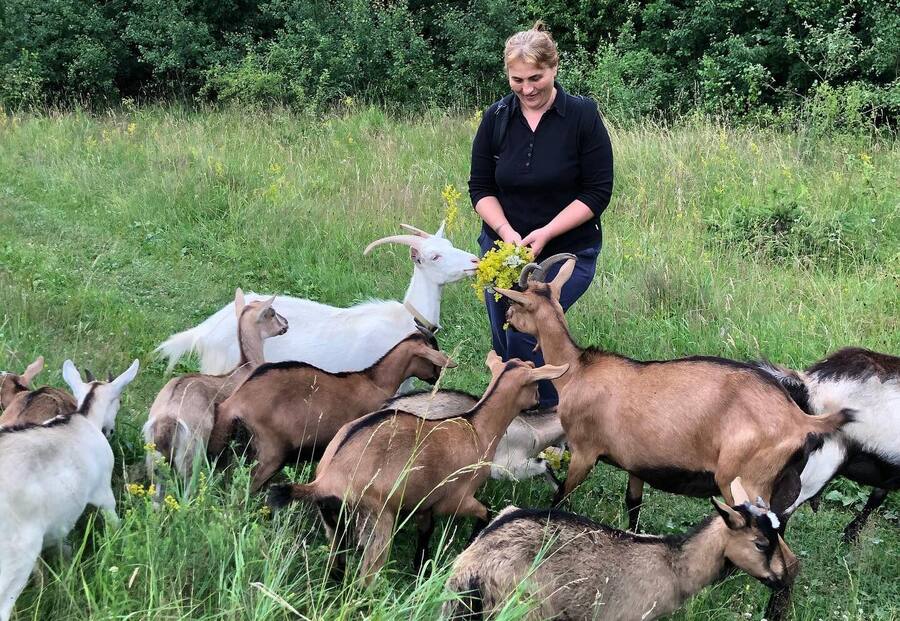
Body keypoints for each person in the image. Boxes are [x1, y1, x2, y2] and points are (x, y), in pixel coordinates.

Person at [469, 21, 614, 409]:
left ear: (554, 68)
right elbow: (480, 188)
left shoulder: (582, 116)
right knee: (505, 334)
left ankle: (550, 415)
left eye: (536, 78)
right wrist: (505, 231)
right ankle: (513, 413)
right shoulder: (497, 117)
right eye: (517, 80)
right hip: (503, 251)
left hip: (566, 251)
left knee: (527, 331)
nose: (527, 89)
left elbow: (597, 192)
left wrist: (547, 231)